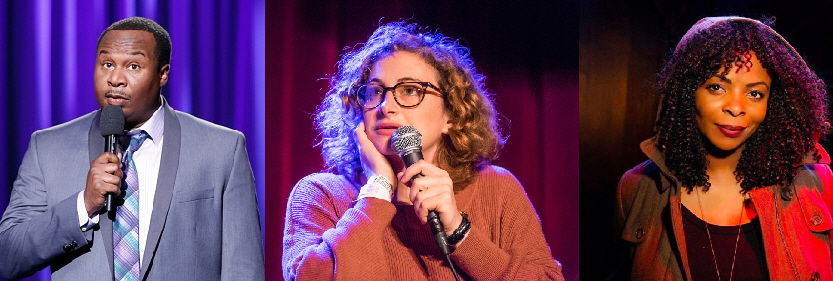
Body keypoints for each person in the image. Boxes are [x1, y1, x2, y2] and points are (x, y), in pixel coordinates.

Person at [282, 22, 563, 280]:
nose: (386, 106)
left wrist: (459, 231)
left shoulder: (497, 189)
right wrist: (377, 191)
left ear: (451, 115)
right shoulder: (323, 195)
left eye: (410, 90)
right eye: (375, 91)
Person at [0, 17, 264, 280]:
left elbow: (243, 268)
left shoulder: (222, 148)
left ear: (163, 74)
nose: (115, 79)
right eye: (107, 64)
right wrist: (84, 205)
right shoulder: (47, 147)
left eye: (133, 66)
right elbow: (7, 256)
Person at [615, 16, 832, 280]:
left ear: (773, 104)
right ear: (687, 92)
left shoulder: (817, 184)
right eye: (717, 87)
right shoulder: (636, 187)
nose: (736, 107)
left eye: (755, 93)